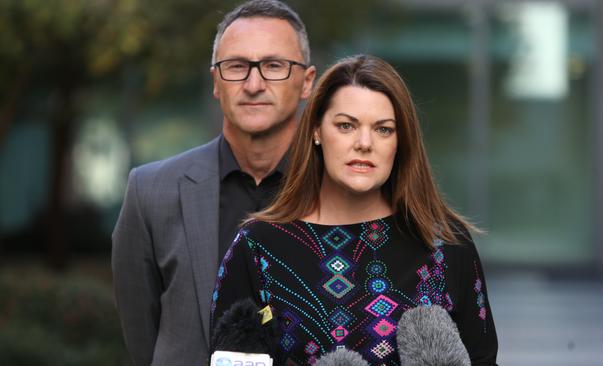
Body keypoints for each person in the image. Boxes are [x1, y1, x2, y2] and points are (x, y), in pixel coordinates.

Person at [210, 55, 498, 365]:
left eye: (383, 129)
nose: (364, 143)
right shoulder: (258, 247)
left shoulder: (446, 245)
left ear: (401, 142)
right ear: (317, 131)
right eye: (346, 125)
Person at [111, 1, 316, 365]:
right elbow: (142, 335)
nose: (254, 84)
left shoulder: (342, 188)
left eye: (273, 66)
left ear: (307, 82)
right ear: (216, 83)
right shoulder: (150, 192)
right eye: (237, 67)